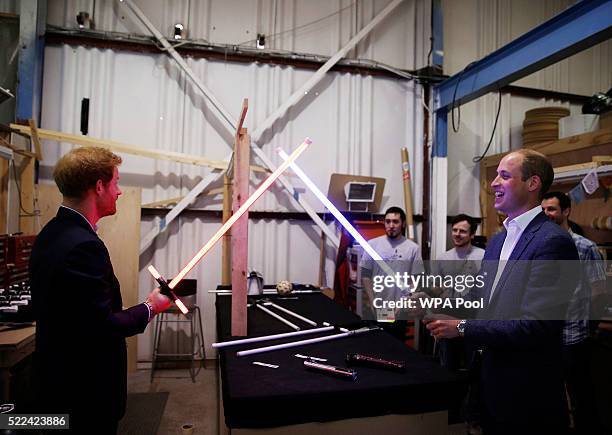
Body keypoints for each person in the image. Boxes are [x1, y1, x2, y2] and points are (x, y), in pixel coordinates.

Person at [424, 149, 579, 434]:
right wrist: (430, 304)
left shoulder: (553, 242)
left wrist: (460, 327)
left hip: (526, 393)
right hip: (488, 382)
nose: (494, 183)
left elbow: (536, 326)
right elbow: (479, 299)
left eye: (504, 176)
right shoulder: (498, 241)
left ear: (532, 184)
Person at [30, 147, 172, 433]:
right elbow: (101, 326)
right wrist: (150, 307)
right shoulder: (83, 246)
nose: (119, 191)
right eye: (116, 182)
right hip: (82, 394)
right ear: (98, 186)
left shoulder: (52, 232)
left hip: (56, 382)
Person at [542, 191, 606, 435]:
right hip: (544, 335)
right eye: (544, 210)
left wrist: (588, 328)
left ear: (566, 211)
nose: (547, 214)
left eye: (552, 209)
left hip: (573, 336)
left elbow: (598, 291)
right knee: (549, 398)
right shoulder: (541, 246)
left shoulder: (585, 247)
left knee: (579, 396)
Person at [360, 206, 424, 340]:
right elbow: (365, 276)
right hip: (376, 307)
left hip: (399, 309)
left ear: (403, 224)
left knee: (396, 346)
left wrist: (404, 303)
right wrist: (373, 301)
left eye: (395, 222)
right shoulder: (372, 244)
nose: (391, 225)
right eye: (388, 221)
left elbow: (415, 279)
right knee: (374, 343)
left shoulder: (413, 248)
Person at [434, 214, 485, 370]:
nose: (457, 234)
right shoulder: (443, 258)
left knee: (473, 363)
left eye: (462, 231)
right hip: (448, 316)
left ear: (472, 234)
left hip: (473, 318)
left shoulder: (483, 256)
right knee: (448, 363)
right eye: (454, 230)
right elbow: (436, 287)